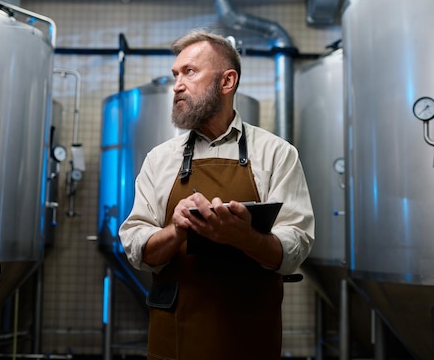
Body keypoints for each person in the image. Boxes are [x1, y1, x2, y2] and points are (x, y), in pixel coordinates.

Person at [119, 29, 314, 360]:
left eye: (190, 72)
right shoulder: (159, 159)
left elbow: (294, 248)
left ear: (227, 82)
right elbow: (138, 250)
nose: (177, 84)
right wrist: (176, 229)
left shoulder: (276, 154)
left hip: (249, 337)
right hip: (174, 338)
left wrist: (244, 236)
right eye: (175, 74)